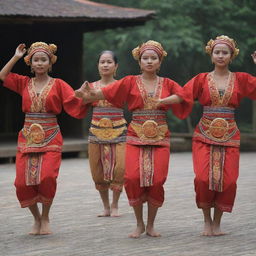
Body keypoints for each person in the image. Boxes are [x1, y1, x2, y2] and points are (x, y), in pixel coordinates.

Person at [75, 40, 188, 238]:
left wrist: (163, 101)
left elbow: (183, 96)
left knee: (157, 179)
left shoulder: (167, 83)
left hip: (160, 136)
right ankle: (139, 223)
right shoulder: (129, 81)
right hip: (135, 135)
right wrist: (88, 94)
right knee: (132, 178)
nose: (150, 61)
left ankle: (151, 224)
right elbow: (106, 92)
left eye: (154, 58)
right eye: (146, 58)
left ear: (160, 62)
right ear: (140, 61)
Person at [159, 35, 256, 236]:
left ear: (231, 56)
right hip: (204, 134)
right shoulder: (201, 79)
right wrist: (162, 101)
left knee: (228, 181)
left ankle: (218, 222)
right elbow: (183, 95)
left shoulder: (242, 79)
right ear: (211, 56)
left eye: (225, 53)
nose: (220, 56)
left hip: (229, 134)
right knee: (204, 179)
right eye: (217, 52)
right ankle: (206, 220)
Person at [0, 42, 88, 235]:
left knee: (47, 176)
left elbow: (74, 101)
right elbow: (3, 76)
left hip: (51, 135)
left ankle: (46, 216)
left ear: (50, 63)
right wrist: (16, 56)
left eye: (43, 60)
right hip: (28, 136)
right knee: (22, 182)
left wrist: (85, 96)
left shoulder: (58, 85)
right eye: (36, 60)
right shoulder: (24, 83)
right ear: (30, 64)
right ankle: (36, 218)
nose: (39, 63)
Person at [87, 50, 126, 217]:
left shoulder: (122, 85)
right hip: (96, 130)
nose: (105, 65)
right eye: (102, 62)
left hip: (119, 129)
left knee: (120, 168)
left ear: (116, 66)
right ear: (97, 65)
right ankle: (106, 206)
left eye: (109, 62)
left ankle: (115, 204)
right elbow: (77, 101)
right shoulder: (90, 87)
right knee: (97, 169)